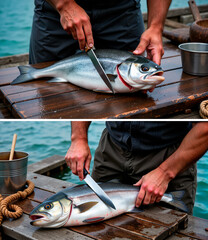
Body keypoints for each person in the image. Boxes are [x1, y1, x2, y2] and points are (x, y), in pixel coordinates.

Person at [65, 121, 208, 214]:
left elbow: (205, 126)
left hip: (170, 155)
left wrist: (165, 173)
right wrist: (79, 138)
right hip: (111, 147)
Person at [29, 0, 171, 66]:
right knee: (46, 87)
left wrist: (155, 26)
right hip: (55, 12)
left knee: (133, 87)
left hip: (123, 12)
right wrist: (64, 4)